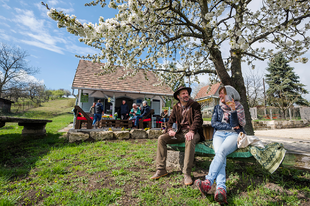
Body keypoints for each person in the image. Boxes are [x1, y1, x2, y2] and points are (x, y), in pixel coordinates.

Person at [194, 85, 246, 204]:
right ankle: (221, 190)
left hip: (234, 135)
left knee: (221, 152)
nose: (220, 95)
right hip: (219, 134)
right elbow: (214, 123)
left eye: (223, 93)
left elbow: (240, 124)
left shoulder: (239, 107)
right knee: (219, 155)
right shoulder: (217, 107)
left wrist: (233, 110)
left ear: (231, 95)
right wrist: (231, 126)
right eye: (220, 93)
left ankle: (208, 182)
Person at [150, 86, 204, 186]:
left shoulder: (195, 105)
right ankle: (161, 169)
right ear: (179, 96)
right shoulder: (176, 107)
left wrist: (191, 131)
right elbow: (169, 122)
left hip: (194, 133)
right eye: (183, 94)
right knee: (161, 138)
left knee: (189, 138)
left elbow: (198, 120)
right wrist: (170, 130)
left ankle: (187, 173)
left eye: (187, 93)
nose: (186, 95)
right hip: (180, 134)